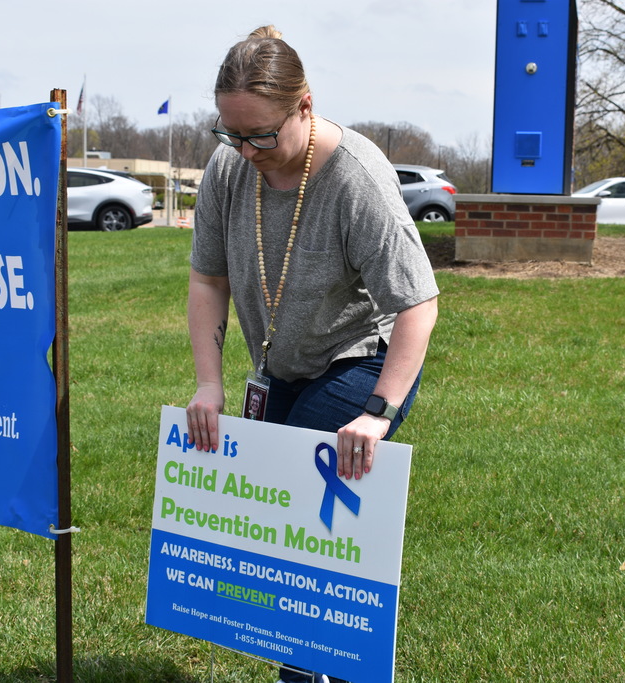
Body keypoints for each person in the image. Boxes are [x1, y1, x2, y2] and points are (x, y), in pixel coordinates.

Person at [185, 25, 439, 683]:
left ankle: (309, 672)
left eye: (262, 135)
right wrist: (208, 384)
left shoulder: (356, 177)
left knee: (298, 523)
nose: (247, 151)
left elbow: (417, 305)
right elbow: (208, 280)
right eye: (231, 134)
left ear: (305, 106)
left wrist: (378, 413)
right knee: (280, 535)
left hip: (365, 362)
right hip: (280, 366)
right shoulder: (230, 167)